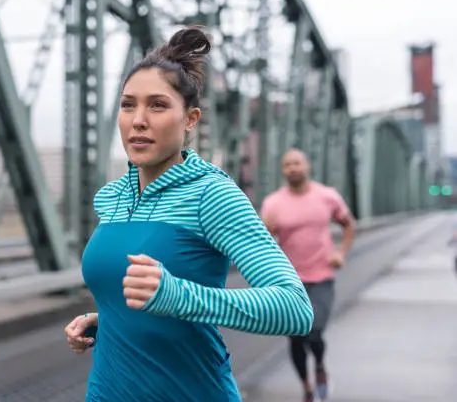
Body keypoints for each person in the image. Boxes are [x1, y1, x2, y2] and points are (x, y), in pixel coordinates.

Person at [64, 26, 314, 402]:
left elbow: (294, 309)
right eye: (128, 104)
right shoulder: (111, 198)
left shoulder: (212, 194)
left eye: (158, 105)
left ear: (191, 119)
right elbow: (143, 301)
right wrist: (107, 322)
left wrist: (180, 297)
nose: (138, 120)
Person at [260, 148, 356, 402]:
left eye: (297, 163)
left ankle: (321, 367)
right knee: (296, 336)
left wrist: (341, 253)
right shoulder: (273, 202)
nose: (293, 168)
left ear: (307, 166)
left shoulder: (327, 196)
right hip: (288, 280)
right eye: (288, 164)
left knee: (314, 331)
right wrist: (267, 232)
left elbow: (348, 224)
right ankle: (307, 387)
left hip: (322, 275)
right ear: (283, 170)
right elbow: (263, 242)